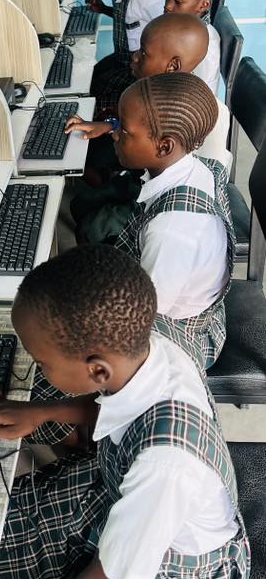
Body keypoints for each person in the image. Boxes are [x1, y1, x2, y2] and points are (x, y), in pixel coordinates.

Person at [0, 245, 249, 579]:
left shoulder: (165, 465)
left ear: (96, 368)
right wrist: (40, 412)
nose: (40, 369)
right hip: (129, 499)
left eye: (44, 363)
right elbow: (109, 401)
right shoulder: (149, 345)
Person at [67, 15, 231, 245]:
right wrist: (112, 125)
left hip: (157, 193)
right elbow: (146, 127)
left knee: (91, 227)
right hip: (142, 177)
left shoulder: (195, 111)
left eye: (144, 53)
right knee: (80, 203)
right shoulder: (152, 96)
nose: (134, 56)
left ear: (172, 65)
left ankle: (104, 266)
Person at [112, 73, 234, 372]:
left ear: (164, 147)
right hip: (181, 302)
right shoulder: (195, 166)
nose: (114, 134)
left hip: (179, 336)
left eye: (123, 130)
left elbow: (143, 319)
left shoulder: (172, 231)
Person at [86, 0, 164, 110]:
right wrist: (104, 9)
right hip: (120, 59)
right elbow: (128, 18)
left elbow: (168, 28)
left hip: (136, 66)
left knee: (97, 94)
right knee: (92, 75)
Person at [164, 0, 221, 95]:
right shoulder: (180, 28)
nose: (168, 6)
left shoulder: (206, 43)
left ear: (204, 5)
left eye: (177, 1)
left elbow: (201, 97)